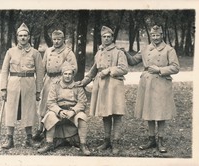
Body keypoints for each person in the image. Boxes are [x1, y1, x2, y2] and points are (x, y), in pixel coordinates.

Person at [124, 25, 180, 153]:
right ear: (151, 36)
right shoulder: (145, 49)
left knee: (160, 113)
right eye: (153, 35)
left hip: (162, 83)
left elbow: (176, 67)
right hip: (147, 83)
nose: (155, 38)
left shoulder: (169, 50)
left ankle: (160, 140)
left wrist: (160, 69)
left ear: (162, 35)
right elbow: (133, 61)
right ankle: (151, 139)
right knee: (149, 111)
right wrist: (124, 53)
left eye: (157, 35)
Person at [77, 26, 128, 155]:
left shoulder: (119, 52)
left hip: (114, 86)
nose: (106, 39)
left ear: (112, 38)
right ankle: (107, 141)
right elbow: (94, 69)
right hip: (102, 86)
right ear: (101, 38)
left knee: (116, 114)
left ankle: (115, 141)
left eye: (108, 37)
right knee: (105, 113)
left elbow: (124, 69)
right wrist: (84, 81)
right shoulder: (99, 52)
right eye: (104, 37)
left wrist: (110, 70)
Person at [0, 23, 44, 149]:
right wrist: (3, 88)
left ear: (29, 37)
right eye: (20, 36)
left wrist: (38, 90)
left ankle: (29, 139)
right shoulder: (10, 52)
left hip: (29, 83)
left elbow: (40, 73)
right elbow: (4, 70)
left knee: (29, 110)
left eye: (25, 35)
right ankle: (9, 139)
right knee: (11, 110)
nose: (23, 38)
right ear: (17, 37)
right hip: (13, 84)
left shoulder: (35, 53)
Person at [37, 62, 91, 156]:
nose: (67, 76)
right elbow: (51, 102)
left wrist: (73, 111)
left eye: (70, 74)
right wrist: (59, 111)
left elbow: (82, 102)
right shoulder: (55, 86)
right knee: (50, 115)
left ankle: (83, 144)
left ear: (73, 75)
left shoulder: (78, 87)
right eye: (65, 74)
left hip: (73, 111)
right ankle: (49, 143)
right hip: (59, 111)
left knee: (82, 116)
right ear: (62, 74)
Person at [33, 30, 78, 141]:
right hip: (48, 79)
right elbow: (42, 67)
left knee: (57, 105)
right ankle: (40, 129)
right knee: (44, 104)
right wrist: (40, 83)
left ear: (63, 39)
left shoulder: (68, 52)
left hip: (60, 81)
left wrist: (65, 79)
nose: (56, 42)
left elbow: (74, 68)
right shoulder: (48, 51)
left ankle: (57, 133)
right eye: (54, 39)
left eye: (59, 39)